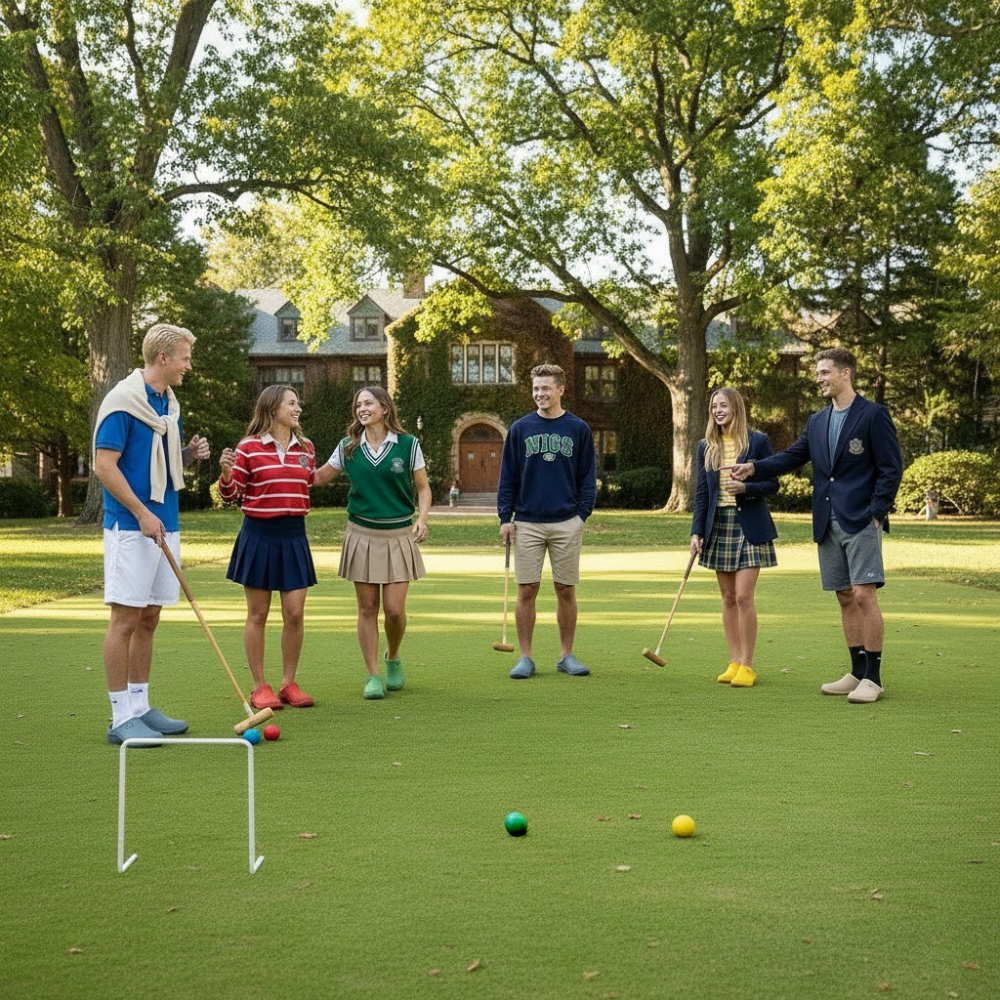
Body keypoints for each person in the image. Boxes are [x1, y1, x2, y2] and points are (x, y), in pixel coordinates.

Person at [729, 348, 903, 704]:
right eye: (818, 374)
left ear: (846, 374)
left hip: (861, 519)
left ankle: (873, 677)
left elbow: (891, 468)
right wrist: (755, 468)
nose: (820, 379)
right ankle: (856, 672)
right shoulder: (818, 421)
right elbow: (793, 456)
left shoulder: (873, 415)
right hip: (827, 520)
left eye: (825, 372)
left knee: (863, 595)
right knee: (843, 597)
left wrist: (876, 510)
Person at [94, 323, 211, 745]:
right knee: (125, 619)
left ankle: (141, 706)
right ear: (163, 359)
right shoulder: (123, 403)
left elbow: (153, 461)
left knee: (150, 616)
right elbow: (105, 466)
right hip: (131, 526)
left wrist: (186, 454)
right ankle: (120, 716)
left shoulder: (166, 403)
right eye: (184, 358)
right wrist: (141, 513)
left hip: (166, 522)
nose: (188, 366)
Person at [313, 386, 431, 699]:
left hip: (398, 534)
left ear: (384, 408)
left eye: (369, 403)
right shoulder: (348, 447)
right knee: (367, 608)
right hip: (361, 533)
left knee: (394, 610)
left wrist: (422, 518)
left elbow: (423, 488)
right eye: (358, 404)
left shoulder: (408, 444)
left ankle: (392, 656)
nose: (362, 408)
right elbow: (319, 477)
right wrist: (289, 467)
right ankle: (373, 674)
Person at [218, 385, 317, 711]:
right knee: (258, 614)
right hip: (258, 535)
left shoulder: (307, 448)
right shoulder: (248, 448)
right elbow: (232, 495)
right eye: (292, 402)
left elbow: (309, 484)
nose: (298, 407)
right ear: (273, 408)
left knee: (295, 613)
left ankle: (289, 683)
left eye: (298, 403)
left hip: (294, 536)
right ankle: (260, 686)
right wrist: (227, 473)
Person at [497, 363, 597, 679]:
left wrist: (581, 515)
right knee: (527, 589)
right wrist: (505, 517)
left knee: (565, 589)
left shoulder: (578, 429)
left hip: (567, 520)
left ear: (560, 390)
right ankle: (525, 657)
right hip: (526, 521)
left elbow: (588, 478)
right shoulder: (520, 429)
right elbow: (508, 477)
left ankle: (566, 655)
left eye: (546, 388)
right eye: (536, 388)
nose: (540, 394)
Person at [690, 388, 780, 689]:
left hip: (749, 525)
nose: (718, 410)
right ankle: (734, 661)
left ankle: (748, 665)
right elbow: (703, 494)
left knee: (743, 596)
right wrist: (696, 532)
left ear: (736, 408)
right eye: (714, 405)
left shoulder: (757, 441)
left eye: (723, 405)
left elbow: (773, 483)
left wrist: (747, 489)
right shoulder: (706, 446)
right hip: (719, 526)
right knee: (727, 597)